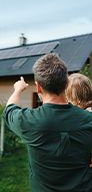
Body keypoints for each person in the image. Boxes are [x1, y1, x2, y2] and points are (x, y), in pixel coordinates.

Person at [3, 53, 92, 192]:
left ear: (38, 87)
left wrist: (18, 89)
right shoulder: (88, 119)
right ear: (66, 83)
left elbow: (9, 110)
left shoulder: (28, 121)